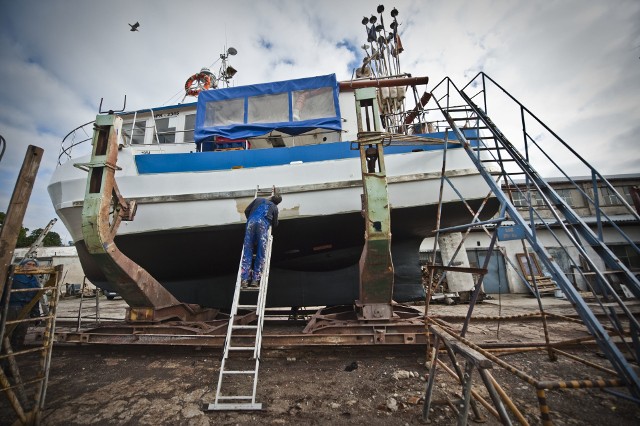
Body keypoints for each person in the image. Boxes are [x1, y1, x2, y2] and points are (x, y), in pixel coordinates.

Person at [1, 258, 41, 375]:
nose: (31, 266)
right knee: (6, 336)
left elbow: (36, 298)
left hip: (26, 309)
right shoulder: (13, 276)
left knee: (18, 338)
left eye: (34, 265)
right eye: (28, 264)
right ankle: (2, 367)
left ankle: (10, 368)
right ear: (22, 265)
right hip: (11, 308)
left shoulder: (34, 280)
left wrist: (36, 313)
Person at [240, 194, 282, 288]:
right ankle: (255, 280)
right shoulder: (274, 207)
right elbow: (275, 224)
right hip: (262, 227)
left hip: (251, 223)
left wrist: (251, 219)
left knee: (247, 252)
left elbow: (246, 210)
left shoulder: (258, 199)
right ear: (277, 203)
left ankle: (244, 280)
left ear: (270, 197)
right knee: (260, 253)